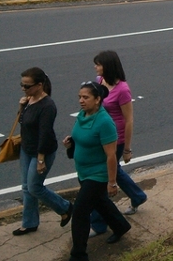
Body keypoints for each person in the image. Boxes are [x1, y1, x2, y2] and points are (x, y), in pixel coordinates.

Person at [64, 81, 131, 261]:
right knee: (100, 202)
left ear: (98, 99)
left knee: (80, 212)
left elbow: (111, 155)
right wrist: (70, 145)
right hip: (83, 171)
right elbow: (81, 138)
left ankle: (78, 254)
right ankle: (121, 226)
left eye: (86, 97)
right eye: (80, 97)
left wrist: (112, 182)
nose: (81, 100)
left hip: (98, 174)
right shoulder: (82, 115)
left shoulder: (105, 122)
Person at [89, 51, 147, 236]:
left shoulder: (122, 90)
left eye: (98, 64)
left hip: (116, 138)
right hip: (102, 134)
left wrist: (127, 149)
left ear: (108, 66)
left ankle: (98, 222)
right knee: (114, 171)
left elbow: (129, 120)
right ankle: (138, 196)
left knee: (101, 177)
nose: (96, 67)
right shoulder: (99, 81)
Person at [12, 67, 73, 236]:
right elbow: (23, 122)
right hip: (27, 149)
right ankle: (29, 223)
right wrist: (21, 106)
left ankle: (65, 207)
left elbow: (45, 134)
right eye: (22, 85)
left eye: (27, 86)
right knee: (26, 188)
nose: (23, 89)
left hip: (42, 151)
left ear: (39, 85)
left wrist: (40, 159)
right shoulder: (29, 100)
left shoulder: (47, 106)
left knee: (34, 187)